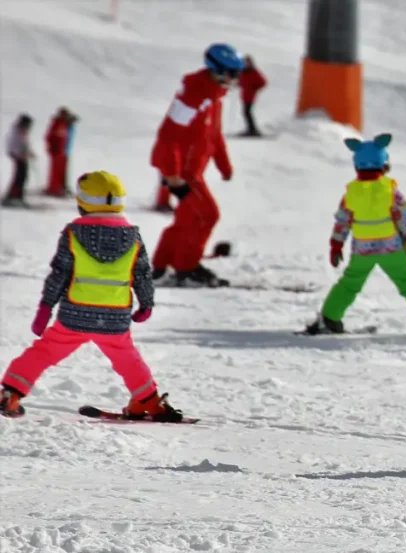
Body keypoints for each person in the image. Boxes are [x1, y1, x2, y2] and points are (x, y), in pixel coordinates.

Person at [0, 171, 183, 422]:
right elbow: (142, 274)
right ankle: (148, 401)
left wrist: (45, 307)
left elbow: (60, 274)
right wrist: (146, 303)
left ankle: (11, 393)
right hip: (114, 316)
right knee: (128, 359)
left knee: (42, 353)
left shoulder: (74, 233)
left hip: (75, 313)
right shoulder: (132, 236)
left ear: (83, 201)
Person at [305, 134, 406, 338]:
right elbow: (404, 215)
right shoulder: (390, 190)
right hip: (390, 248)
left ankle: (329, 318)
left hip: (363, 250)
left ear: (357, 165)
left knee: (349, 284)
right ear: (383, 163)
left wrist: (336, 245)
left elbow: (342, 221)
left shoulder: (351, 193)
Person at [149, 43, 244, 287]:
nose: (235, 80)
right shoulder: (193, 97)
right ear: (217, 70)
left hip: (191, 171)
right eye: (231, 73)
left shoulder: (214, 98)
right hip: (182, 173)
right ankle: (186, 268)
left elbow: (214, 135)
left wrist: (224, 165)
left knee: (186, 219)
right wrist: (172, 175)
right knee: (207, 215)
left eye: (237, 74)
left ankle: (162, 264)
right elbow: (168, 136)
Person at [2, 114, 35, 208]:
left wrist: (30, 152)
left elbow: (26, 144)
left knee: (23, 176)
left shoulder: (23, 131)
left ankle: (19, 196)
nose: (29, 127)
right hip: (18, 157)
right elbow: (13, 145)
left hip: (23, 157)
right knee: (19, 177)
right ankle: (12, 196)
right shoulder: (15, 132)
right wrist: (20, 154)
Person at [44, 108, 77, 197]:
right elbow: (50, 137)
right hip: (57, 151)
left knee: (61, 171)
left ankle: (60, 187)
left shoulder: (64, 125)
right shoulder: (57, 124)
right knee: (56, 171)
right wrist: (52, 148)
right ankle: (54, 188)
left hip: (62, 151)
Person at [238, 55, 268, 137]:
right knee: (246, 113)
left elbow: (263, 82)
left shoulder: (254, 72)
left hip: (250, 96)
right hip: (244, 96)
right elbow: (240, 82)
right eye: (244, 63)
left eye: (247, 62)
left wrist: (255, 88)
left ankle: (252, 130)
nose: (245, 64)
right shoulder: (243, 72)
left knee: (247, 113)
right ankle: (251, 129)